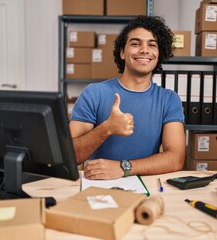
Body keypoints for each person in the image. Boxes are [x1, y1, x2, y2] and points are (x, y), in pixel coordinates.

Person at [69, 15, 185, 180]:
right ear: (122, 52)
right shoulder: (94, 93)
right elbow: (70, 155)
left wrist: (124, 167)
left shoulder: (169, 100)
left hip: (146, 185)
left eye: (152, 45)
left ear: (159, 54)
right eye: (136, 43)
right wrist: (106, 128)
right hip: (99, 185)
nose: (144, 50)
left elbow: (176, 158)